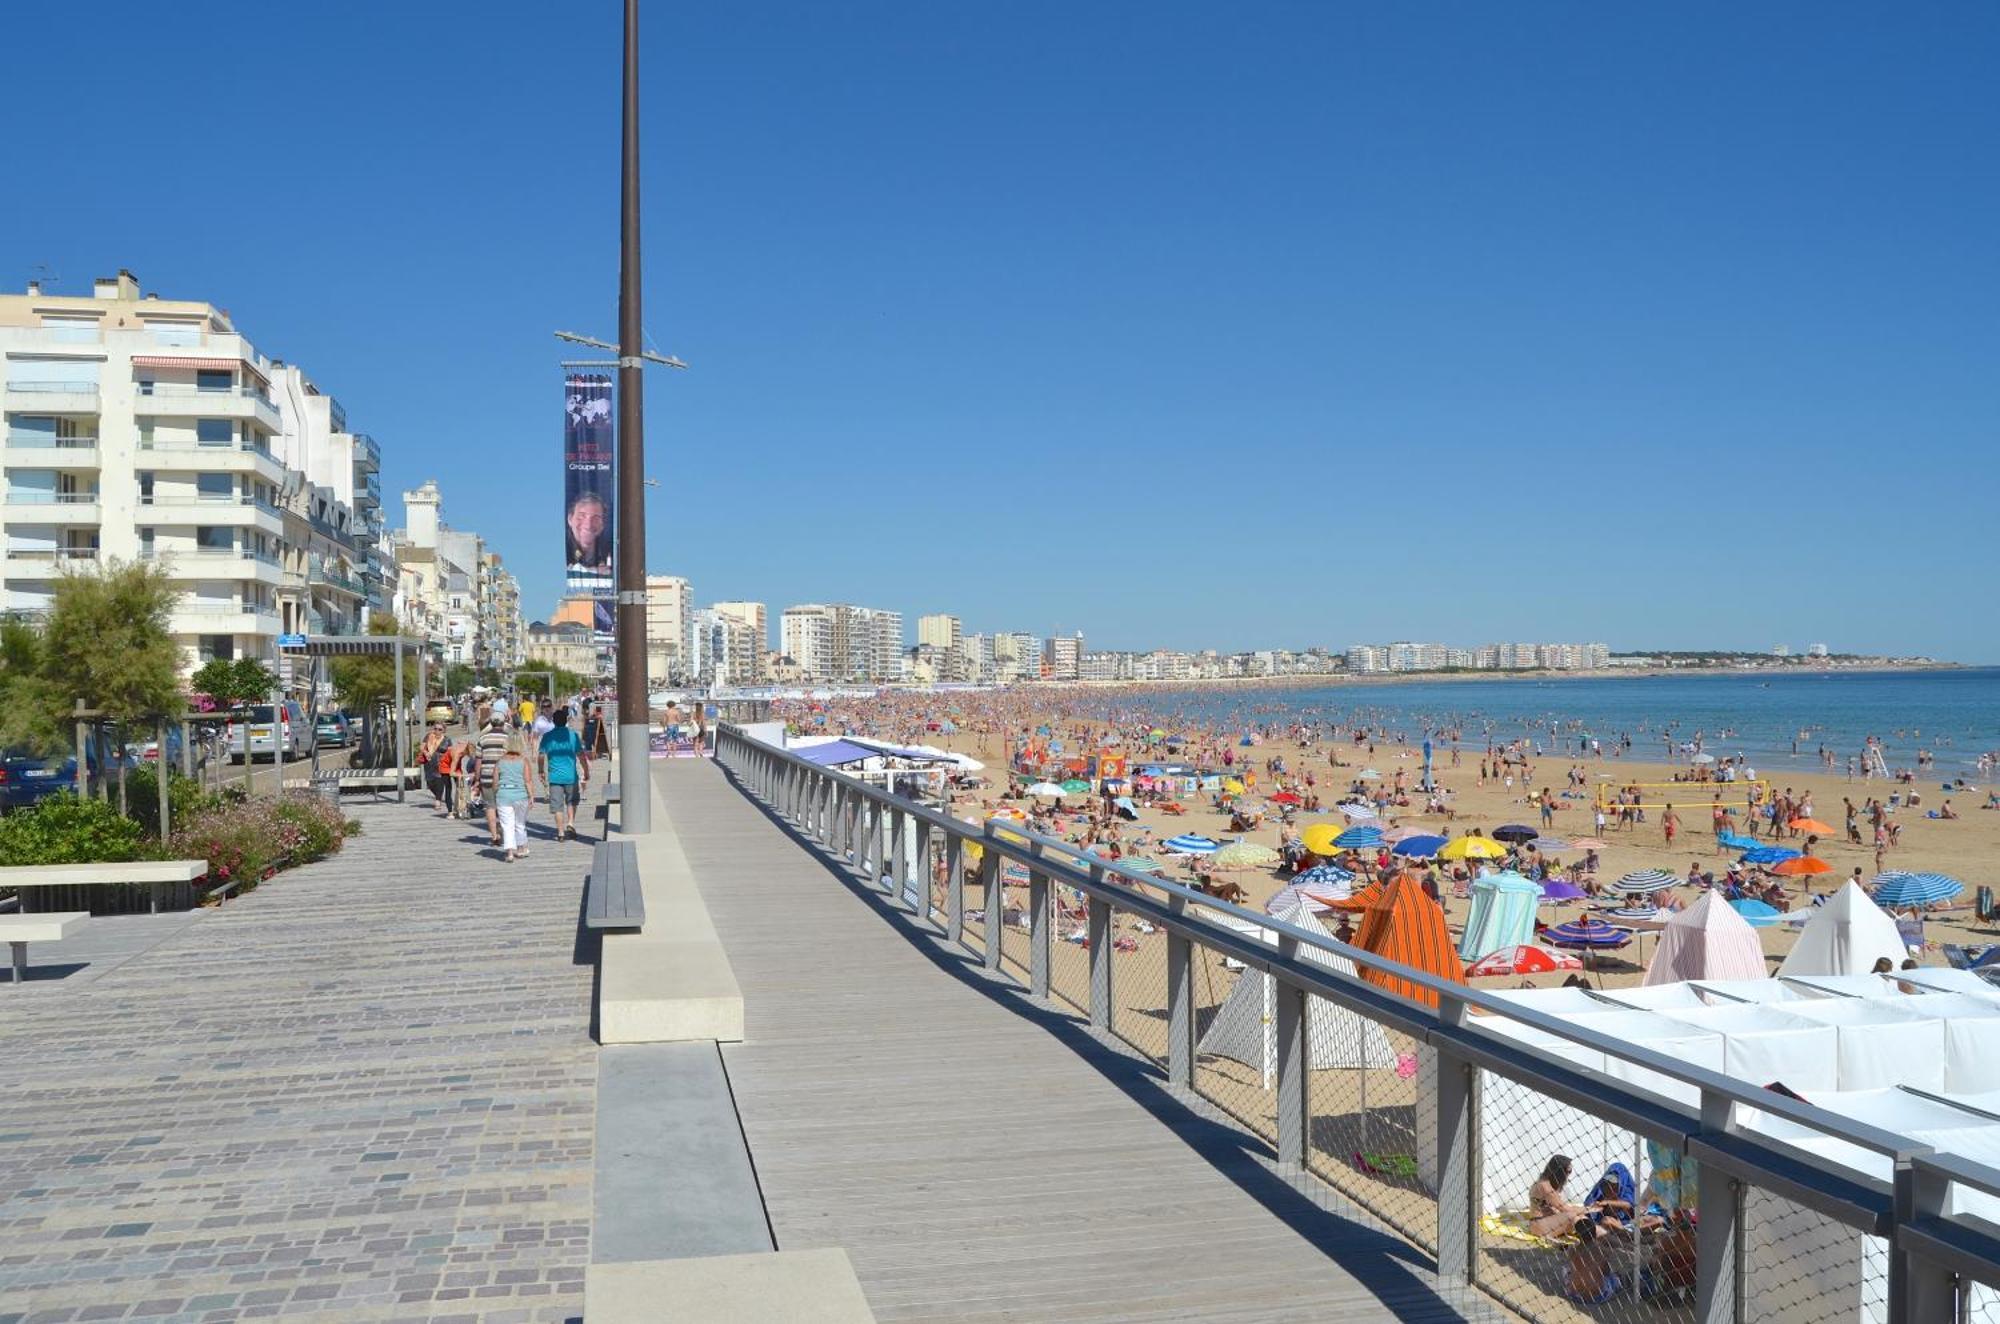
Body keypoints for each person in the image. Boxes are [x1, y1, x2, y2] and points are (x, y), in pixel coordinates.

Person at [493, 733, 541, 862]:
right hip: (520, 795)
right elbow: (528, 781)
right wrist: (531, 796)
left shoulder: (500, 761)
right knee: (520, 823)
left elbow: (495, 782)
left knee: (507, 825)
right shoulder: (524, 761)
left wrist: (495, 794)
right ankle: (521, 849)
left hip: (503, 795)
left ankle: (509, 853)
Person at [540, 707, 585, 842]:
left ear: (553, 721)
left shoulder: (547, 736)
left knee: (557, 806)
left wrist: (540, 770)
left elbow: (541, 755)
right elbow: (581, 755)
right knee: (571, 801)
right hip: (571, 776)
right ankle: (570, 823)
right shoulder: (573, 735)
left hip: (554, 777)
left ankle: (560, 832)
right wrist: (586, 770)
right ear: (566, 721)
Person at [1528, 1155, 1594, 1239]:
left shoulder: (1550, 1183)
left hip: (1548, 1222)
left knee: (1580, 1217)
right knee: (1572, 1215)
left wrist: (1585, 1209)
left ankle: (1595, 1235)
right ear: (1559, 1171)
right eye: (1568, 1171)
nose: (1569, 1174)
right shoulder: (1544, 1186)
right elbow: (1564, 1208)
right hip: (1538, 1224)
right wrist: (1589, 1208)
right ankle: (1591, 1239)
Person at [478, 717, 511, 848]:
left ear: (491, 724)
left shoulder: (483, 738)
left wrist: (477, 777)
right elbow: (512, 757)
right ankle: (504, 831)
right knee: (506, 807)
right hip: (504, 777)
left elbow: (478, 760)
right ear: (503, 724)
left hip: (486, 777)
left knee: (490, 806)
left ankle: (494, 836)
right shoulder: (508, 738)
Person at [565, 491, 612, 573]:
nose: (588, 524)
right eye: (581, 516)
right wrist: (595, 571)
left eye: (596, 518)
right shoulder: (561, 548)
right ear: (570, 519)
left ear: (603, 524)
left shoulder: (612, 550)